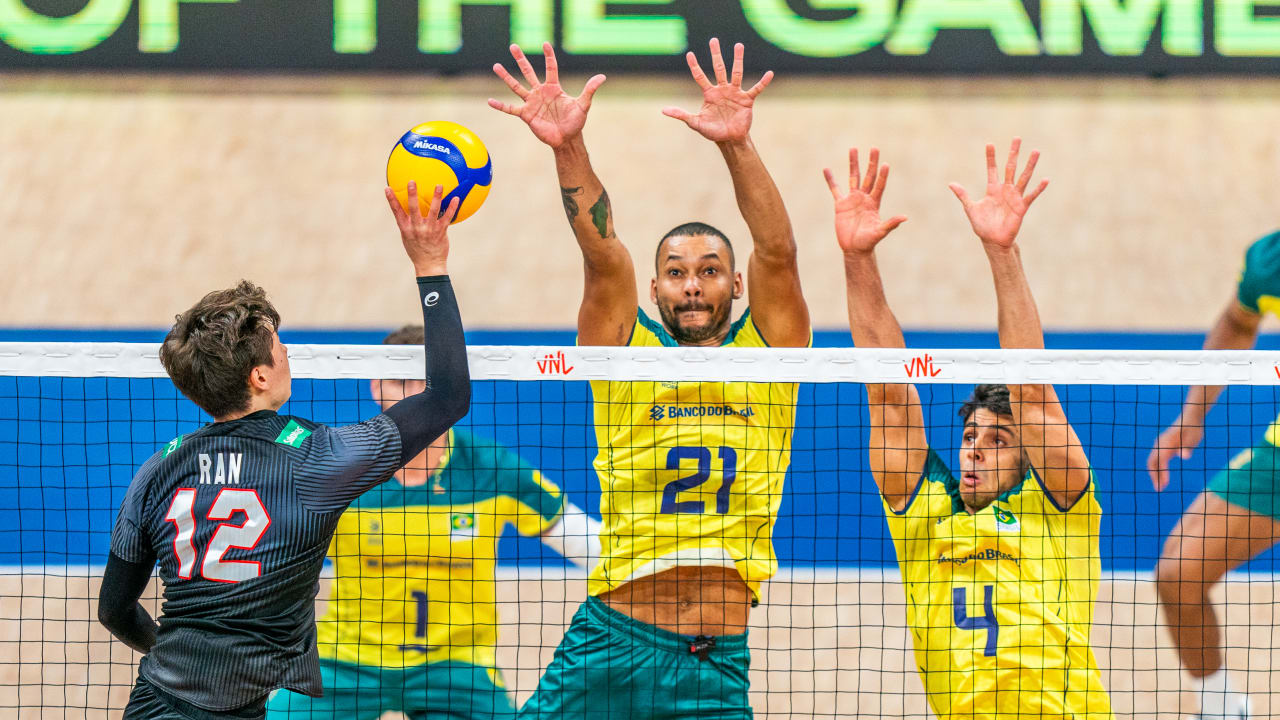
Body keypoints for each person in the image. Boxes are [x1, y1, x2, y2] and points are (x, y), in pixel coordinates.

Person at [489, 39, 810, 717]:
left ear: (736, 283)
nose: (693, 286)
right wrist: (567, 148)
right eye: (676, 273)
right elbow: (603, 252)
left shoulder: (773, 355)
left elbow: (779, 251)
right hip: (610, 644)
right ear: (657, 291)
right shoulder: (622, 350)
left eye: (709, 270)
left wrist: (735, 145)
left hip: (713, 665)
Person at [97, 183, 470, 719]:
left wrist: (175, 656)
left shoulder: (158, 470)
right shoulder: (318, 459)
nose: (287, 350)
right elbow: (448, 395)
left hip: (156, 702)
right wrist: (431, 265)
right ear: (259, 375)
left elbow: (114, 609)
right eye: (278, 344)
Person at [831, 140, 1112, 719]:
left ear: (1027, 459)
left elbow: (1033, 394)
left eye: (997, 441)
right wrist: (858, 260)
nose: (974, 453)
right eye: (968, 438)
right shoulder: (924, 514)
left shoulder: (1056, 508)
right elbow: (886, 392)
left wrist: (1001, 250)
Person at [267, 325, 601, 720]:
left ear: (450, 392)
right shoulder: (337, 469)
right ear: (376, 386)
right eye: (400, 381)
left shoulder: (494, 470)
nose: (415, 397)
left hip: (457, 668)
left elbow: (592, 547)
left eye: (428, 384)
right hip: (347, 662)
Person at [1145, 232, 1280, 720]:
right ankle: (1223, 707)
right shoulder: (1270, 261)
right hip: (1279, 460)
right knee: (1178, 574)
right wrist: (1192, 415)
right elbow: (1237, 322)